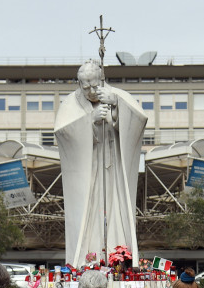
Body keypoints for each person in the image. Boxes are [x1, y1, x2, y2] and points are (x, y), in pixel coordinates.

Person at [54, 60, 148, 267]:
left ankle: (118, 256)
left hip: (114, 170)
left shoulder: (119, 96)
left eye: (95, 86)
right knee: (89, 214)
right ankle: (87, 260)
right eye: (85, 86)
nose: (90, 91)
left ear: (102, 80)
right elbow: (62, 133)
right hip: (88, 171)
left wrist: (117, 106)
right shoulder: (70, 103)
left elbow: (139, 120)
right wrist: (90, 120)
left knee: (117, 208)